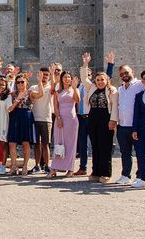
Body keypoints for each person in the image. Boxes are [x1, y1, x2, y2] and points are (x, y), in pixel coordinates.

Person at [79, 54, 119, 183]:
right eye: (98, 80)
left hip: (106, 119)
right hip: (93, 118)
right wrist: (85, 64)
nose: (100, 82)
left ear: (106, 80)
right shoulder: (92, 88)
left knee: (105, 147)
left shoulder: (111, 90)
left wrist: (113, 121)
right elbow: (84, 78)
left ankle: (105, 173)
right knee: (95, 145)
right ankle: (95, 172)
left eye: (102, 80)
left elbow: (114, 108)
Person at [7, 72, 44, 175]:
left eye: (22, 82)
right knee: (12, 142)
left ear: (26, 83)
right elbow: (9, 108)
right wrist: (17, 99)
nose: (20, 84)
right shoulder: (13, 94)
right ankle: (14, 166)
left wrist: (40, 81)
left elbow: (40, 94)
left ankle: (25, 166)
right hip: (15, 116)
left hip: (26, 117)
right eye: (18, 82)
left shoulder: (30, 92)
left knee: (25, 142)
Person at [47, 71, 80, 178]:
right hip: (60, 118)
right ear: (61, 79)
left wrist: (75, 88)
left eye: (68, 77)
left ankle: (70, 169)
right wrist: (58, 118)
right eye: (65, 77)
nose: (67, 79)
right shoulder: (58, 91)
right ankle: (54, 168)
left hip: (71, 119)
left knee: (71, 144)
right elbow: (55, 106)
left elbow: (77, 100)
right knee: (58, 142)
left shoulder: (74, 90)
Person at [30, 67, 54, 174]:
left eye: (46, 75)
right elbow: (37, 95)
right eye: (42, 74)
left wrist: (53, 75)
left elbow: (53, 90)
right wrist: (39, 82)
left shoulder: (50, 88)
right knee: (36, 144)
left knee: (46, 144)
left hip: (46, 119)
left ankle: (47, 166)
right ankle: (37, 165)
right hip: (35, 118)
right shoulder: (33, 87)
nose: (44, 77)